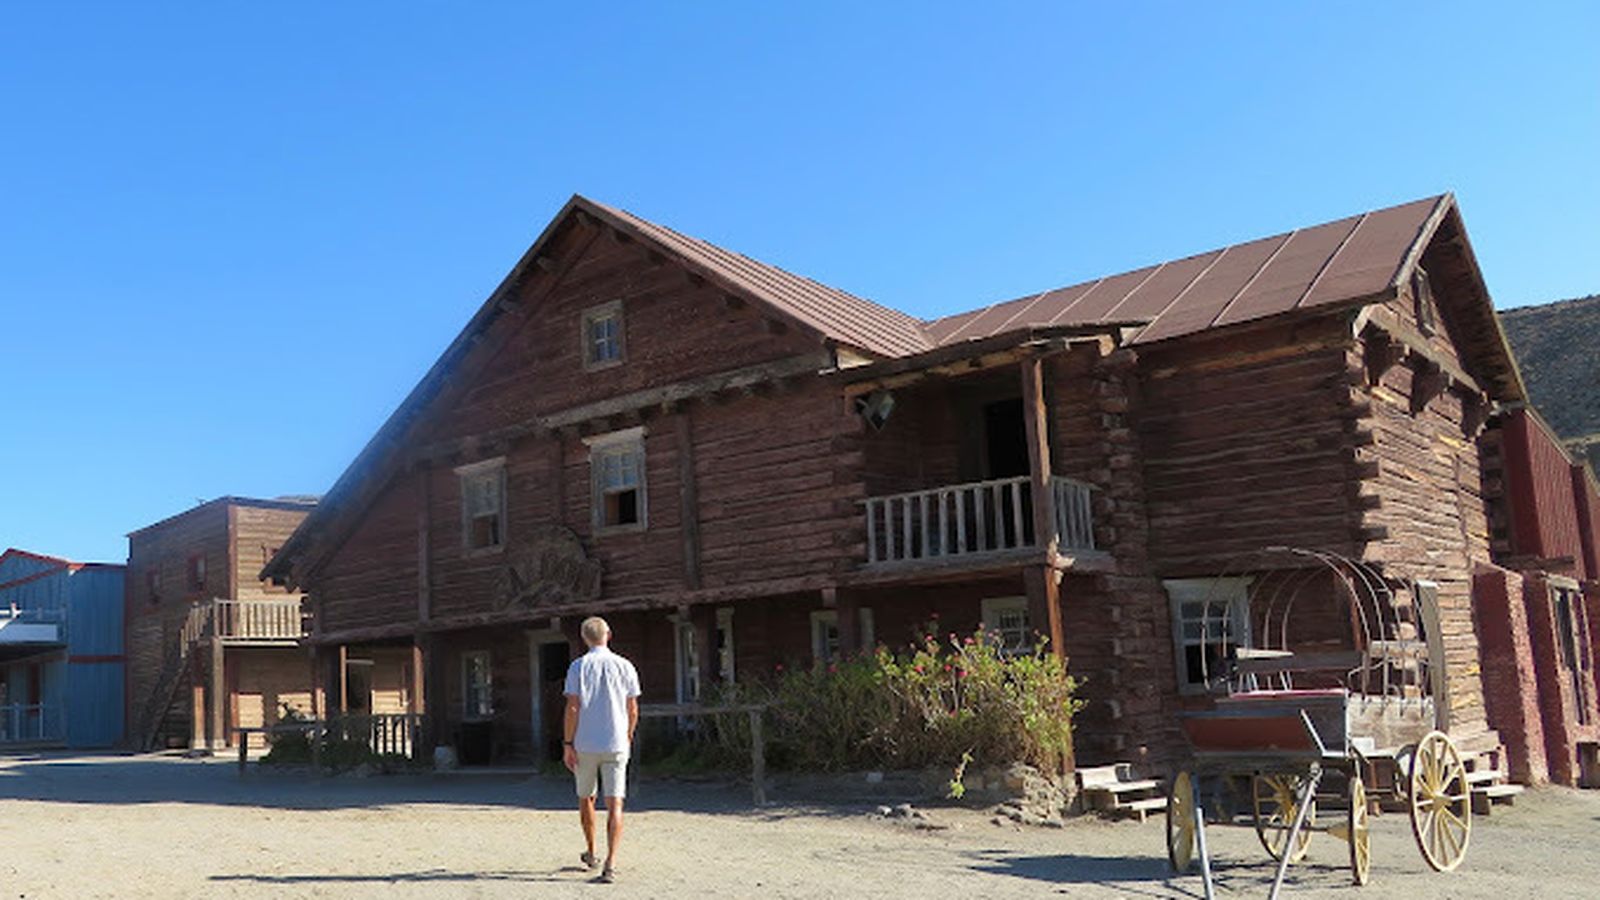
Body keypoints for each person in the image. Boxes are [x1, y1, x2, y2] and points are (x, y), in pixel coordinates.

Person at [563, 615, 641, 884]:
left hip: (585, 742)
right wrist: (628, 734)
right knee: (615, 801)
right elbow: (632, 708)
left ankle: (592, 850)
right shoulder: (625, 665)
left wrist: (567, 742)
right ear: (608, 635)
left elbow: (573, 706)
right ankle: (612, 861)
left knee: (586, 797)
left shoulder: (578, 667)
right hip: (616, 741)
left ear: (585, 638)